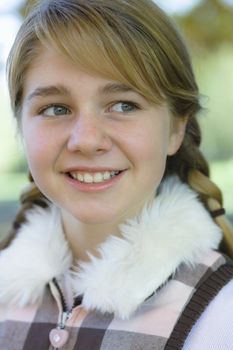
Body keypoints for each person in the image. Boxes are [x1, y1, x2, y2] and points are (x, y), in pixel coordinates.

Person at [0, 0, 233, 349]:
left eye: (124, 105)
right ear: (21, 127)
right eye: (56, 108)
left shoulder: (220, 317)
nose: (87, 140)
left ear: (176, 129)